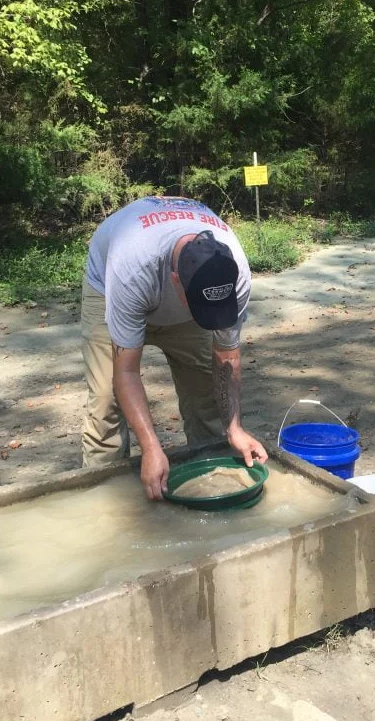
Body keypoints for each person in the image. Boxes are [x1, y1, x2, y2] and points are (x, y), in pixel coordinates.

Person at [80, 196, 267, 500]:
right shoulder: (132, 268)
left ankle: (211, 480)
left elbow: (227, 355)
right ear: (176, 281)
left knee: (205, 395)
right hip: (109, 290)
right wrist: (151, 447)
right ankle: (107, 498)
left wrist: (235, 427)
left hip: (181, 293)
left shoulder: (235, 272)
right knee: (105, 402)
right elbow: (126, 371)